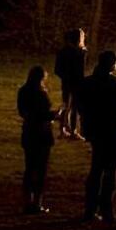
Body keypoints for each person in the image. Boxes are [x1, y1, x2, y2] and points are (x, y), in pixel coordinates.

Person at [78, 50, 116, 223]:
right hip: (110, 130)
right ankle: (107, 210)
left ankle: (89, 209)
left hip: (93, 129)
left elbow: (81, 106)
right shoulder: (114, 83)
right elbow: (115, 110)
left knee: (95, 169)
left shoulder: (87, 82)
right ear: (111, 64)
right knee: (110, 171)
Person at [16, 66, 55, 214]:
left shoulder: (23, 91)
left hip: (29, 132)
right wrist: (55, 115)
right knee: (41, 170)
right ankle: (37, 202)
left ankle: (27, 201)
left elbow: (23, 111)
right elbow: (43, 114)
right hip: (42, 133)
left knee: (29, 168)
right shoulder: (41, 94)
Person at [53, 28, 87, 139]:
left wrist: (65, 77)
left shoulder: (63, 51)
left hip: (66, 82)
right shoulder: (80, 52)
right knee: (74, 107)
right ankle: (73, 130)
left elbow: (57, 69)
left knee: (66, 104)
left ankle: (63, 129)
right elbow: (80, 70)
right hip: (76, 82)